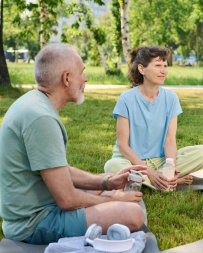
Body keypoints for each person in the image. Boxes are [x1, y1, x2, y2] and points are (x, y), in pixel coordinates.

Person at [0, 43, 147, 245]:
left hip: (43, 207)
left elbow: (59, 171)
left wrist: (106, 182)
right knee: (134, 214)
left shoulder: (35, 104)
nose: (85, 78)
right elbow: (67, 199)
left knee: (109, 192)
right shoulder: (41, 118)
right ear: (67, 78)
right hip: (34, 224)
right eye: (82, 72)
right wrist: (113, 200)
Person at [104, 46, 203, 191]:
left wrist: (170, 167)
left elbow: (170, 140)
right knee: (111, 166)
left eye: (165, 66)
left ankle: (150, 181)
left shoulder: (171, 99)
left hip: (160, 161)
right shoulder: (126, 99)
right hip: (130, 161)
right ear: (142, 69)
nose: (163, 70)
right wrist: (149, 171)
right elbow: (123, 145)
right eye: (158, 65)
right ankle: (167, 182)